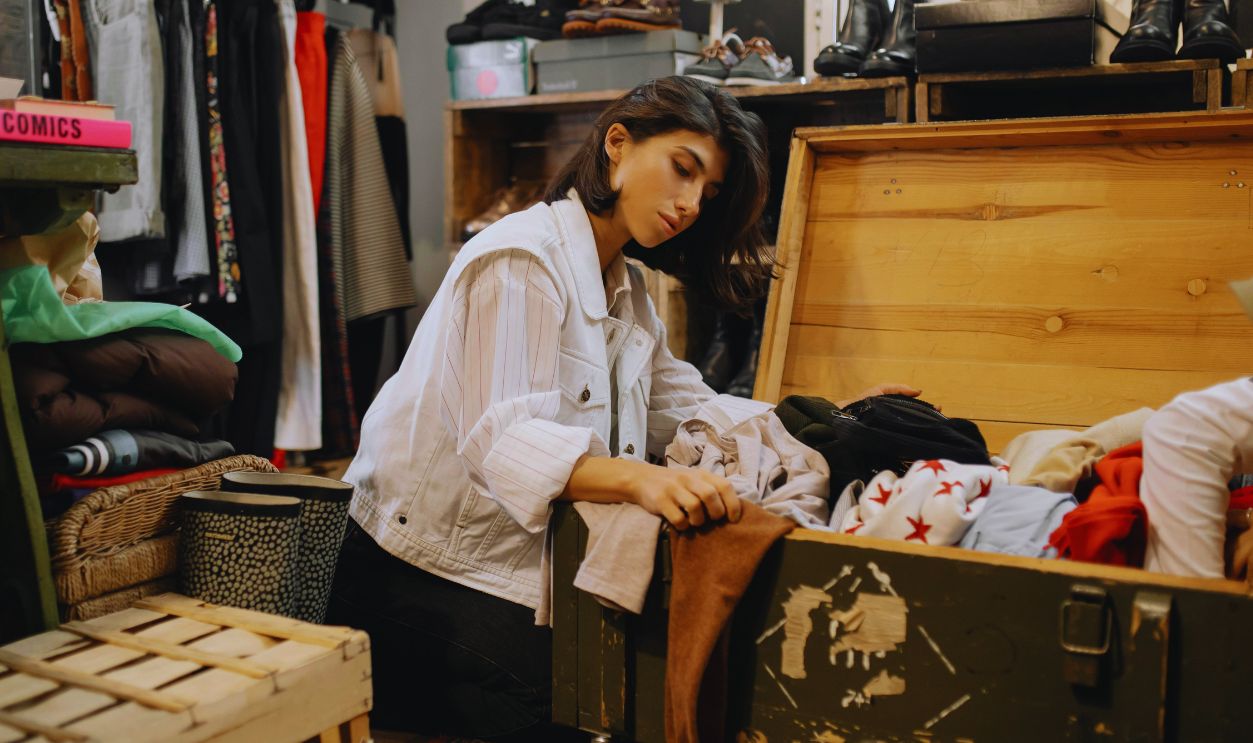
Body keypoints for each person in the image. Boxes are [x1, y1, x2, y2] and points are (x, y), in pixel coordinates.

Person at [327, 76, 916, 741]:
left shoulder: (626, 289)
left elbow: (687, 403)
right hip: (403, 566)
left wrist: (829, 418)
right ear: (617, 143)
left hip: (498, 565)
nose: (691, 202)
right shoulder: (522, 257)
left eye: (709, 190)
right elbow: (506, 439)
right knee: (584, 698)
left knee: (626, 674)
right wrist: (646, 478)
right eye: (682, 169)